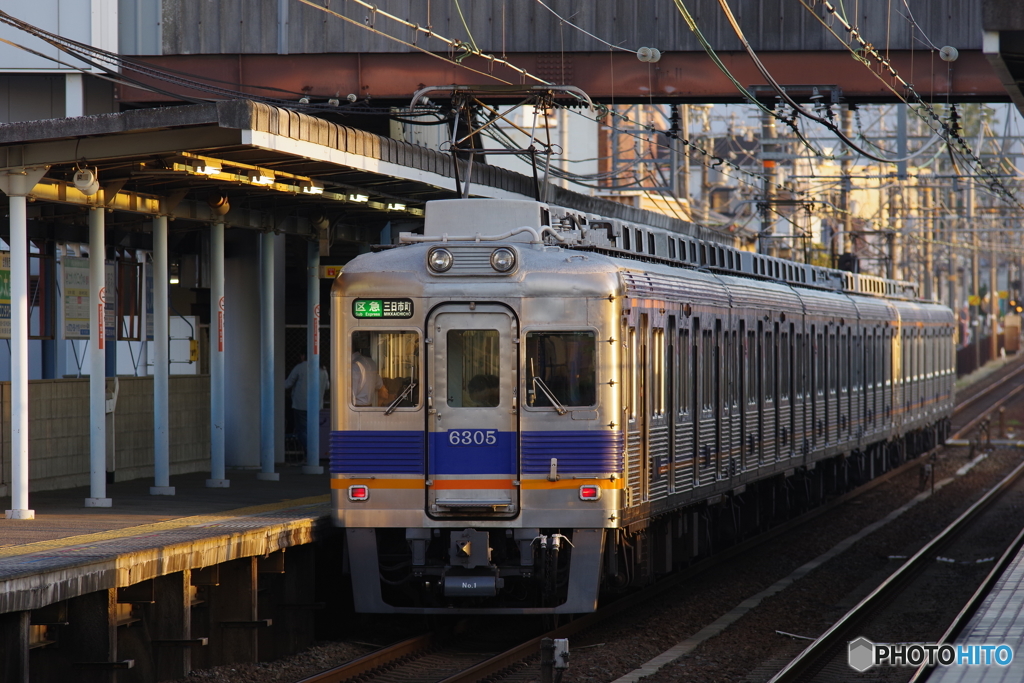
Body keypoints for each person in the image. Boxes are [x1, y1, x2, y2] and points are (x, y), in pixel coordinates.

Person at [284, 352, 330, 459]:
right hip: (316, 405)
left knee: (301, 431)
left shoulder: (300, 367)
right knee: (312, 430)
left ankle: (311, 451)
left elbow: (287, 384)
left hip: (301, 404)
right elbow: (327, 386)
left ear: (303, 355)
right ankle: (311, 454)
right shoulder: (322, 368)